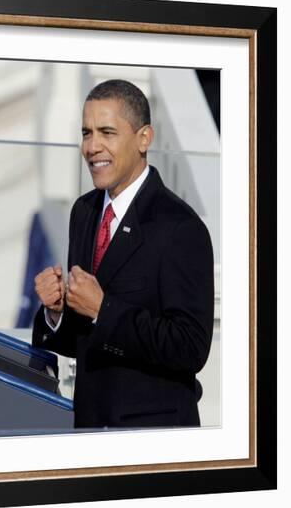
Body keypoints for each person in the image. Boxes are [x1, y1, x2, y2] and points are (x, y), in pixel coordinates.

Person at [32, 79, 214, 428]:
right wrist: (56, 312)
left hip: (152, 438)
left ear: (144, 138)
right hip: (90, 426)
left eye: (107, 132)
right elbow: (89, 338)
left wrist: (104, 309)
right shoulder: (84, 212)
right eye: (86, 133)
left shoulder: (179, 228)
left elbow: (190, 347)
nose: (92, 146)